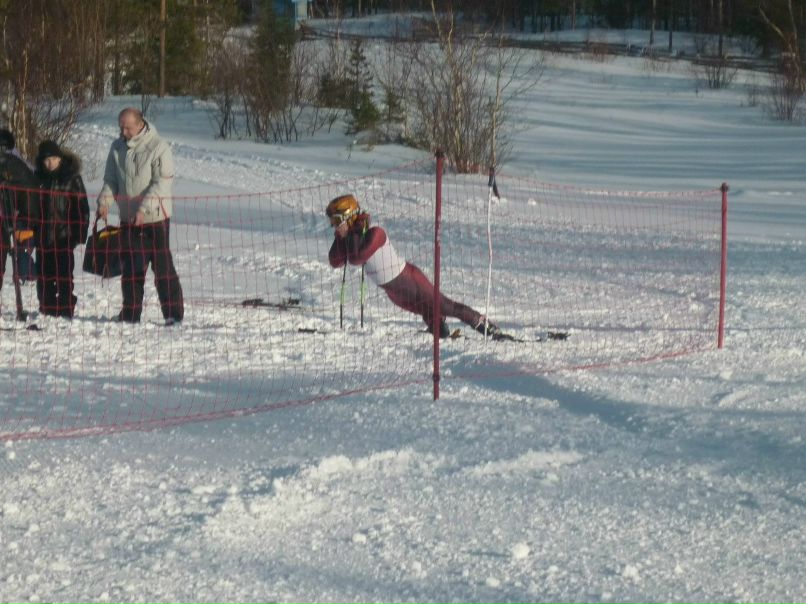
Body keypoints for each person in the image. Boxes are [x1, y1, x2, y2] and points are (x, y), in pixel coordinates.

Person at [326, 194, 511, 339]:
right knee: (426, 310)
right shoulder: (352, 240)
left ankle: (489, 329)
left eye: (336, 222)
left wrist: (355, 231)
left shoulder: (376, 233)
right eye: (332, 223)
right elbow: (335, 261)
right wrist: (342, 236)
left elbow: (357, 258)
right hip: (393, 291)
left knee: (448, 307)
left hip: (410, 280)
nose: (334, 227)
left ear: (350, 218)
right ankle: (440, 332)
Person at [97, 108, 183, 325]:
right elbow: (111, 180)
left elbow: (162, 183)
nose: (123, 132)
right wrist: (104, 202)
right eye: (121, 127)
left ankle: (173, 314)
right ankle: (130, 314)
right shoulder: (117, 148)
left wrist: (143, 209)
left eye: (127, 127)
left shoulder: (158, 147)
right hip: (128, 219)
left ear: (140, 124)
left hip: (155, 218)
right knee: (132, 269)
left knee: (162, 268)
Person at [34, 140, 90, 318]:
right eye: (46, 160)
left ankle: (66, 307)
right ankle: (47, 307)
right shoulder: (37, 179)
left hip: (64, 235)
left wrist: (79, 233)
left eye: (53, 158)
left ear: (60, 158)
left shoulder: (71, 178)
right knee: (44, 274)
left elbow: (82, 207)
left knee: (64, 274)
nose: (50, 163)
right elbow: (30, 206)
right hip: (42, 235)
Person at [0, 129, 40, 299]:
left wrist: (26, 217)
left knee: (21, 256)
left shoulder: (17, 165)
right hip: (12, 217)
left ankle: (32, 275)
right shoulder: (19, 163)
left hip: (16, 218)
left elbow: (29, 189)